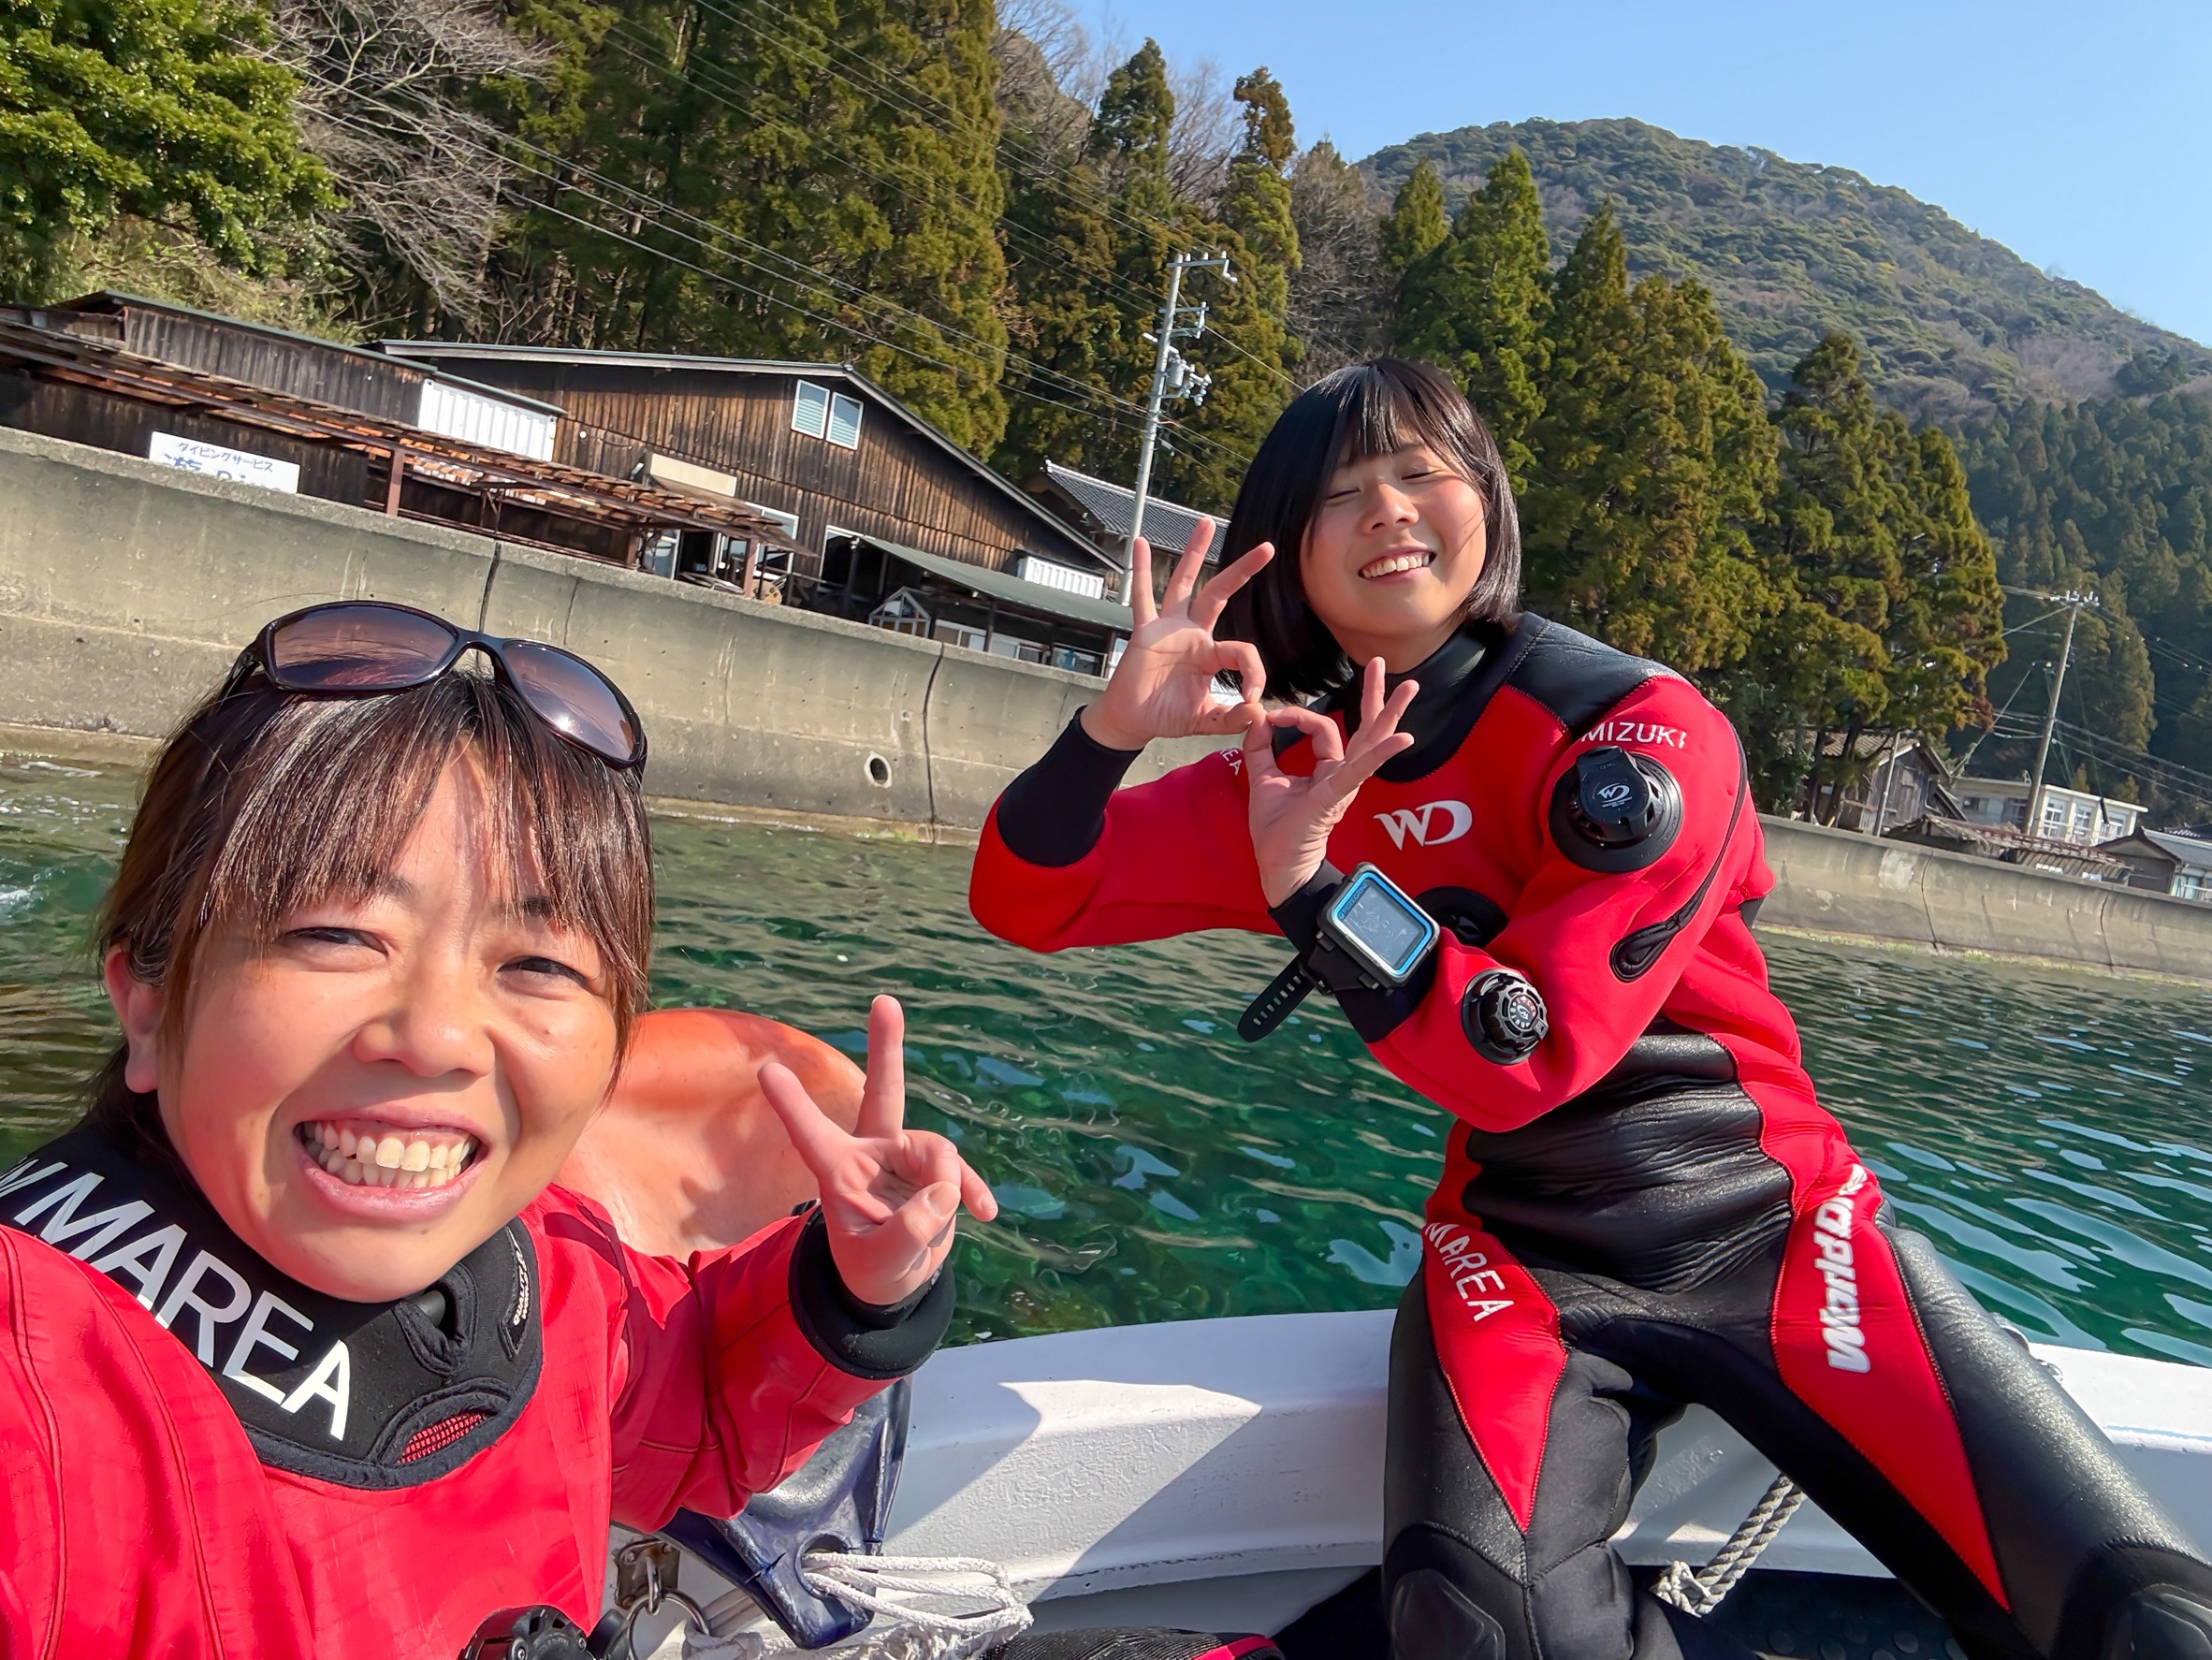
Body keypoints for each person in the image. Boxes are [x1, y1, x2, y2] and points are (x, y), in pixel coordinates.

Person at [968, 360, 2212, 1660]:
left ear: (1487, 502)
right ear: (1295, 557)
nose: (1387, 508)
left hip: (1774, 1223)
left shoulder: (1634, 726)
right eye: (1341, 494)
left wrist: (1314, 886)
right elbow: (1028, 897)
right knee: (1469, 1631)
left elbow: (1535, 1050)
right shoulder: (1296, 775)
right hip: (1521, 1249)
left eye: (1419, 472)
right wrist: (1109, 734)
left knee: (2153, 1626)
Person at [0, 600, 997, 1657]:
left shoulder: (543, 1273)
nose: (436, 1037)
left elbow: (693, 1402)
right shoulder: (43, 1385)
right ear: (148, 1000)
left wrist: (852, 1287)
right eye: (335, 934)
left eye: (536, 964)